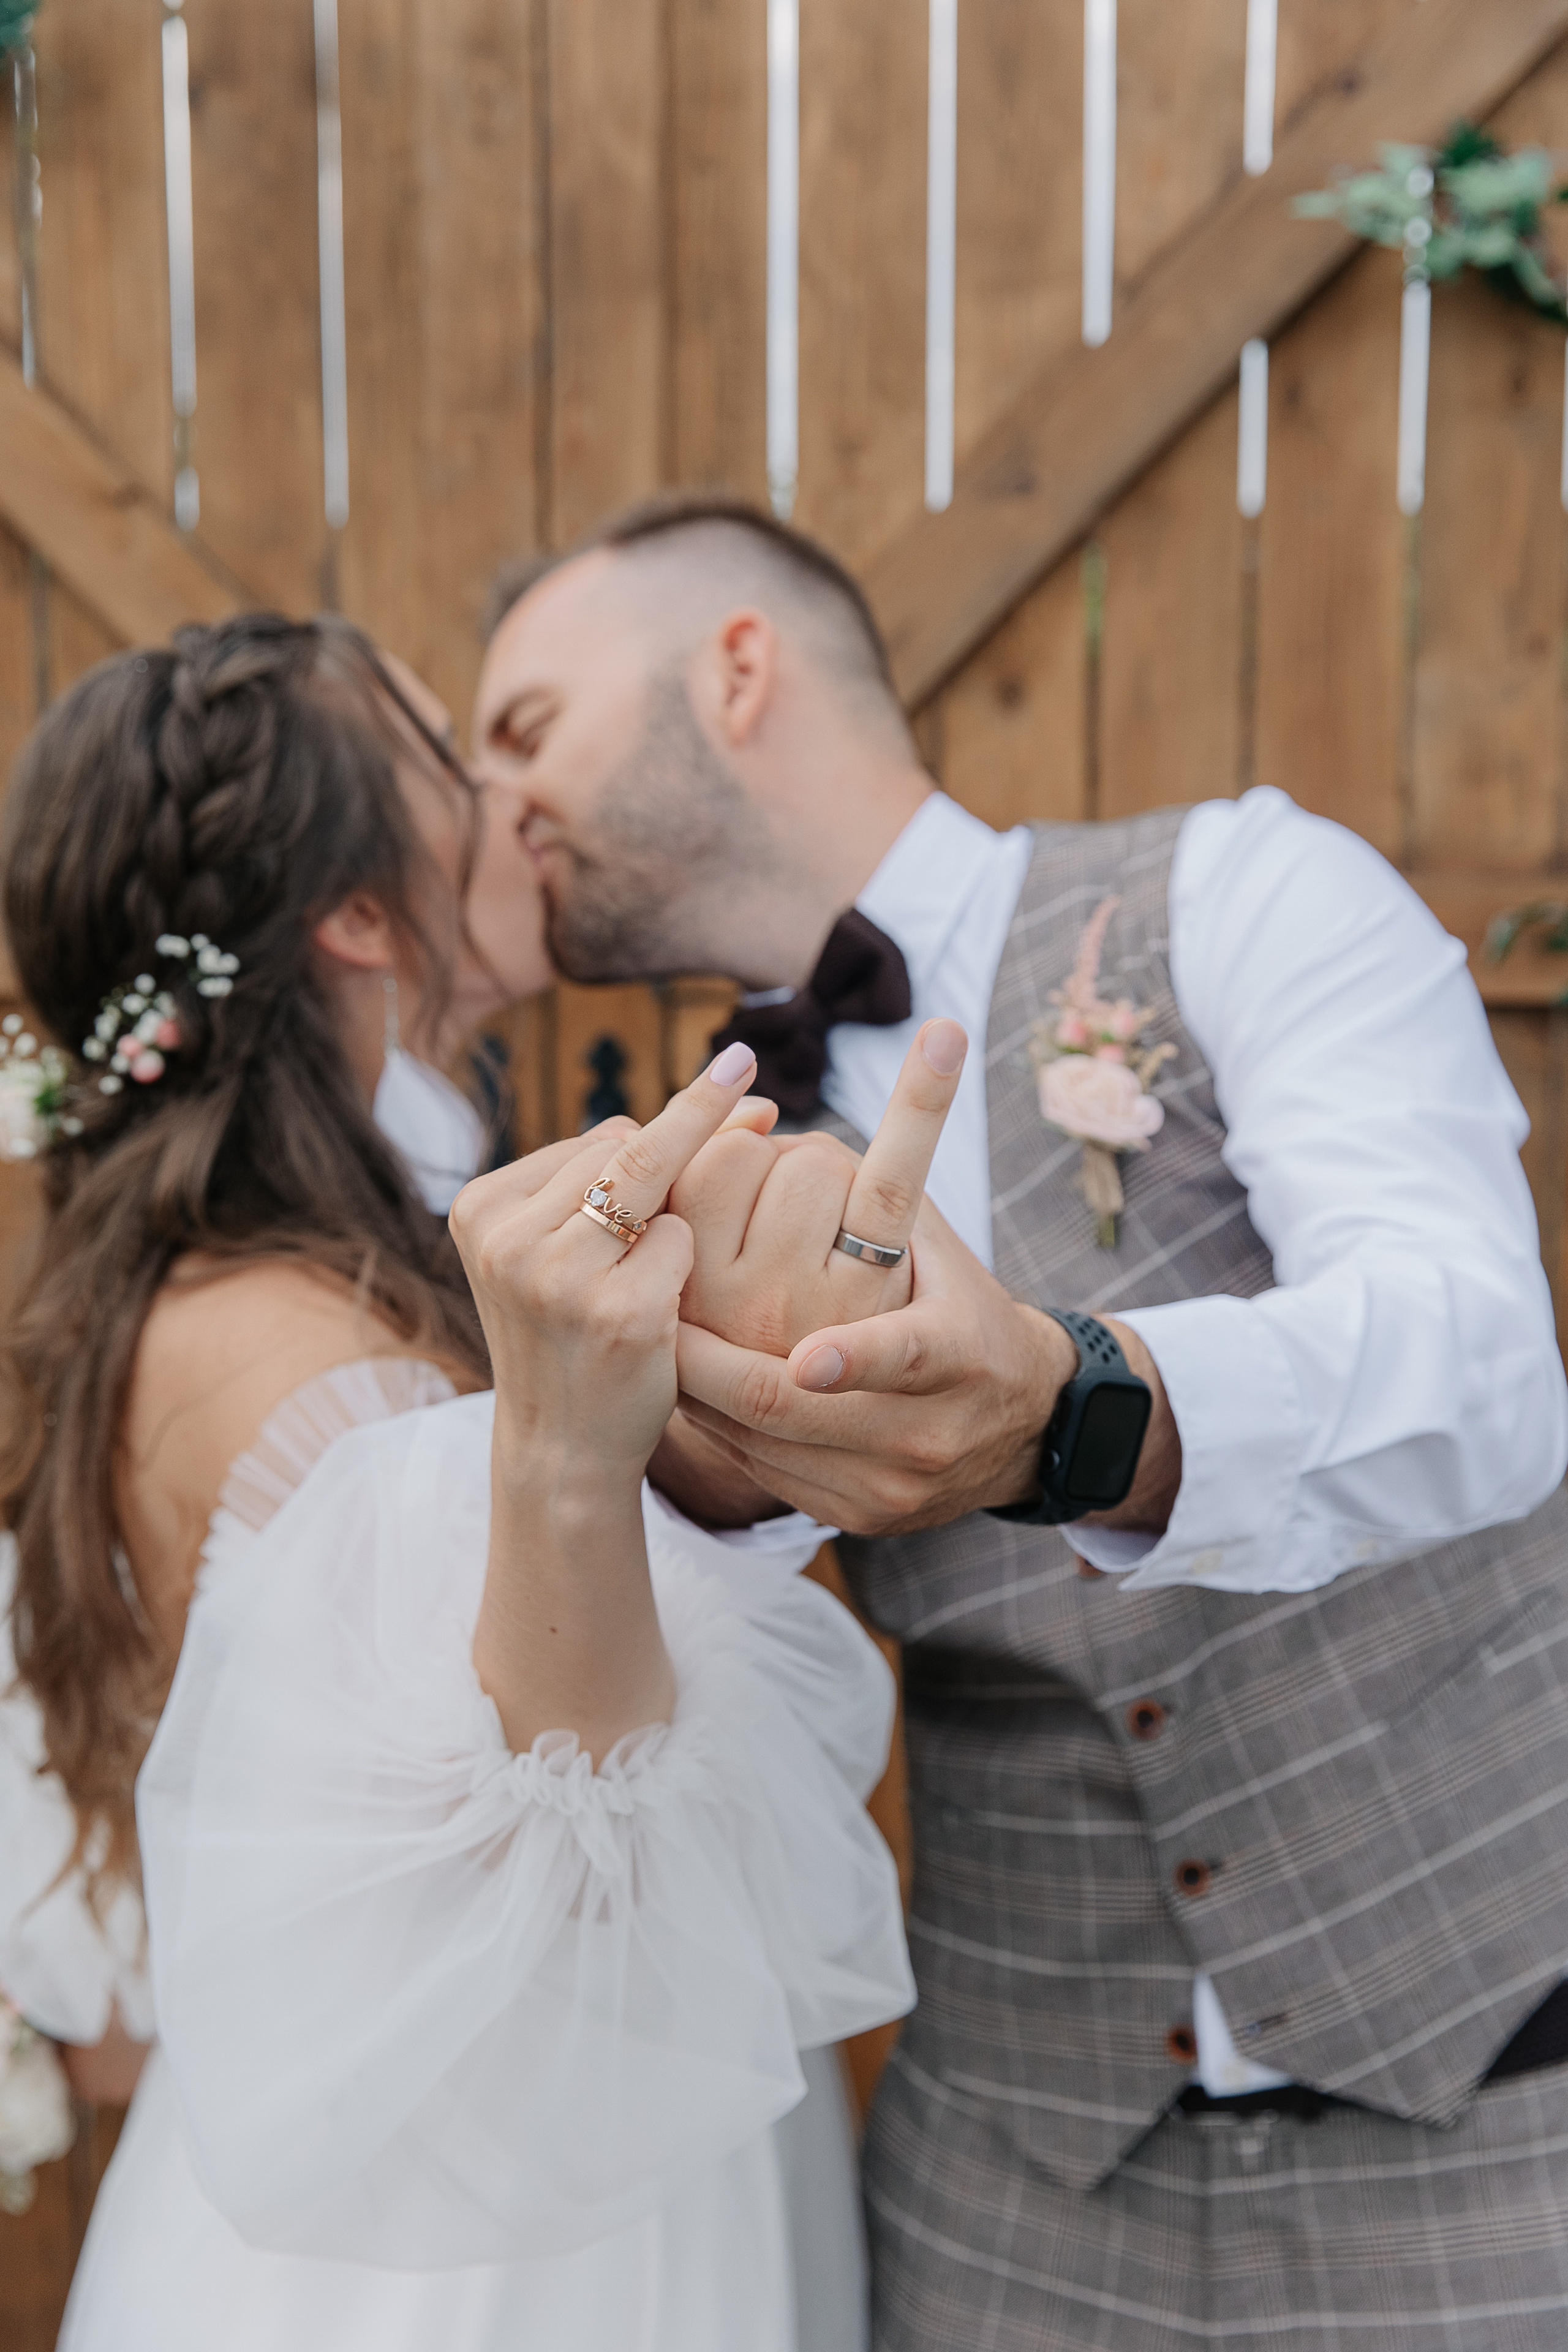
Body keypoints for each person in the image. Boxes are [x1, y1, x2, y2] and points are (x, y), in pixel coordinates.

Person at [462, 489, 1568, 2350]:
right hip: (1007, 2207)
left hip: (1491, 2138)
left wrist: (1074, 1412)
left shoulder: (1242, 891)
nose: (501, 807)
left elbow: (1476, 1367)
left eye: (527, 730)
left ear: (735, 670)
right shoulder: (658, 1193)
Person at [0, 612, 918, 2352]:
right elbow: (591, 1883)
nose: (522, 799)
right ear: (357, 914)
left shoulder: (216, 1284)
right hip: (498, 2255)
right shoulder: (323, 1369)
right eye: (459, 760)